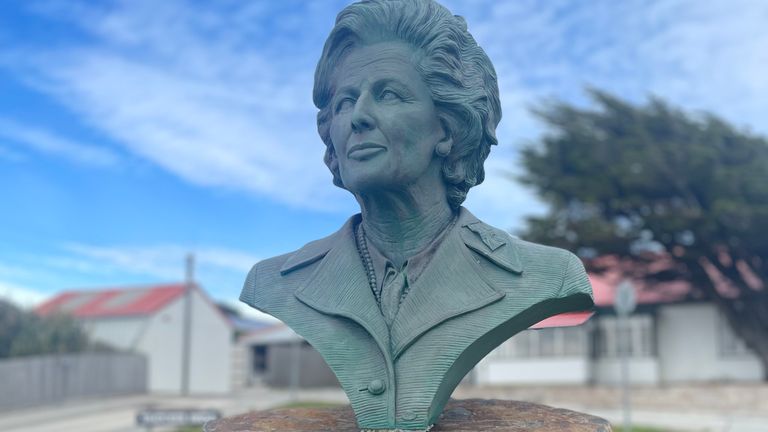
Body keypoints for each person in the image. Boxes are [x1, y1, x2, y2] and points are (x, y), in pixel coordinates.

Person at [240, 0, 593, 430]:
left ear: (447, 127)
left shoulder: (547, 276)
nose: (358, 117)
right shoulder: (275, 281)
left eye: (387, 94)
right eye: (345, 102)